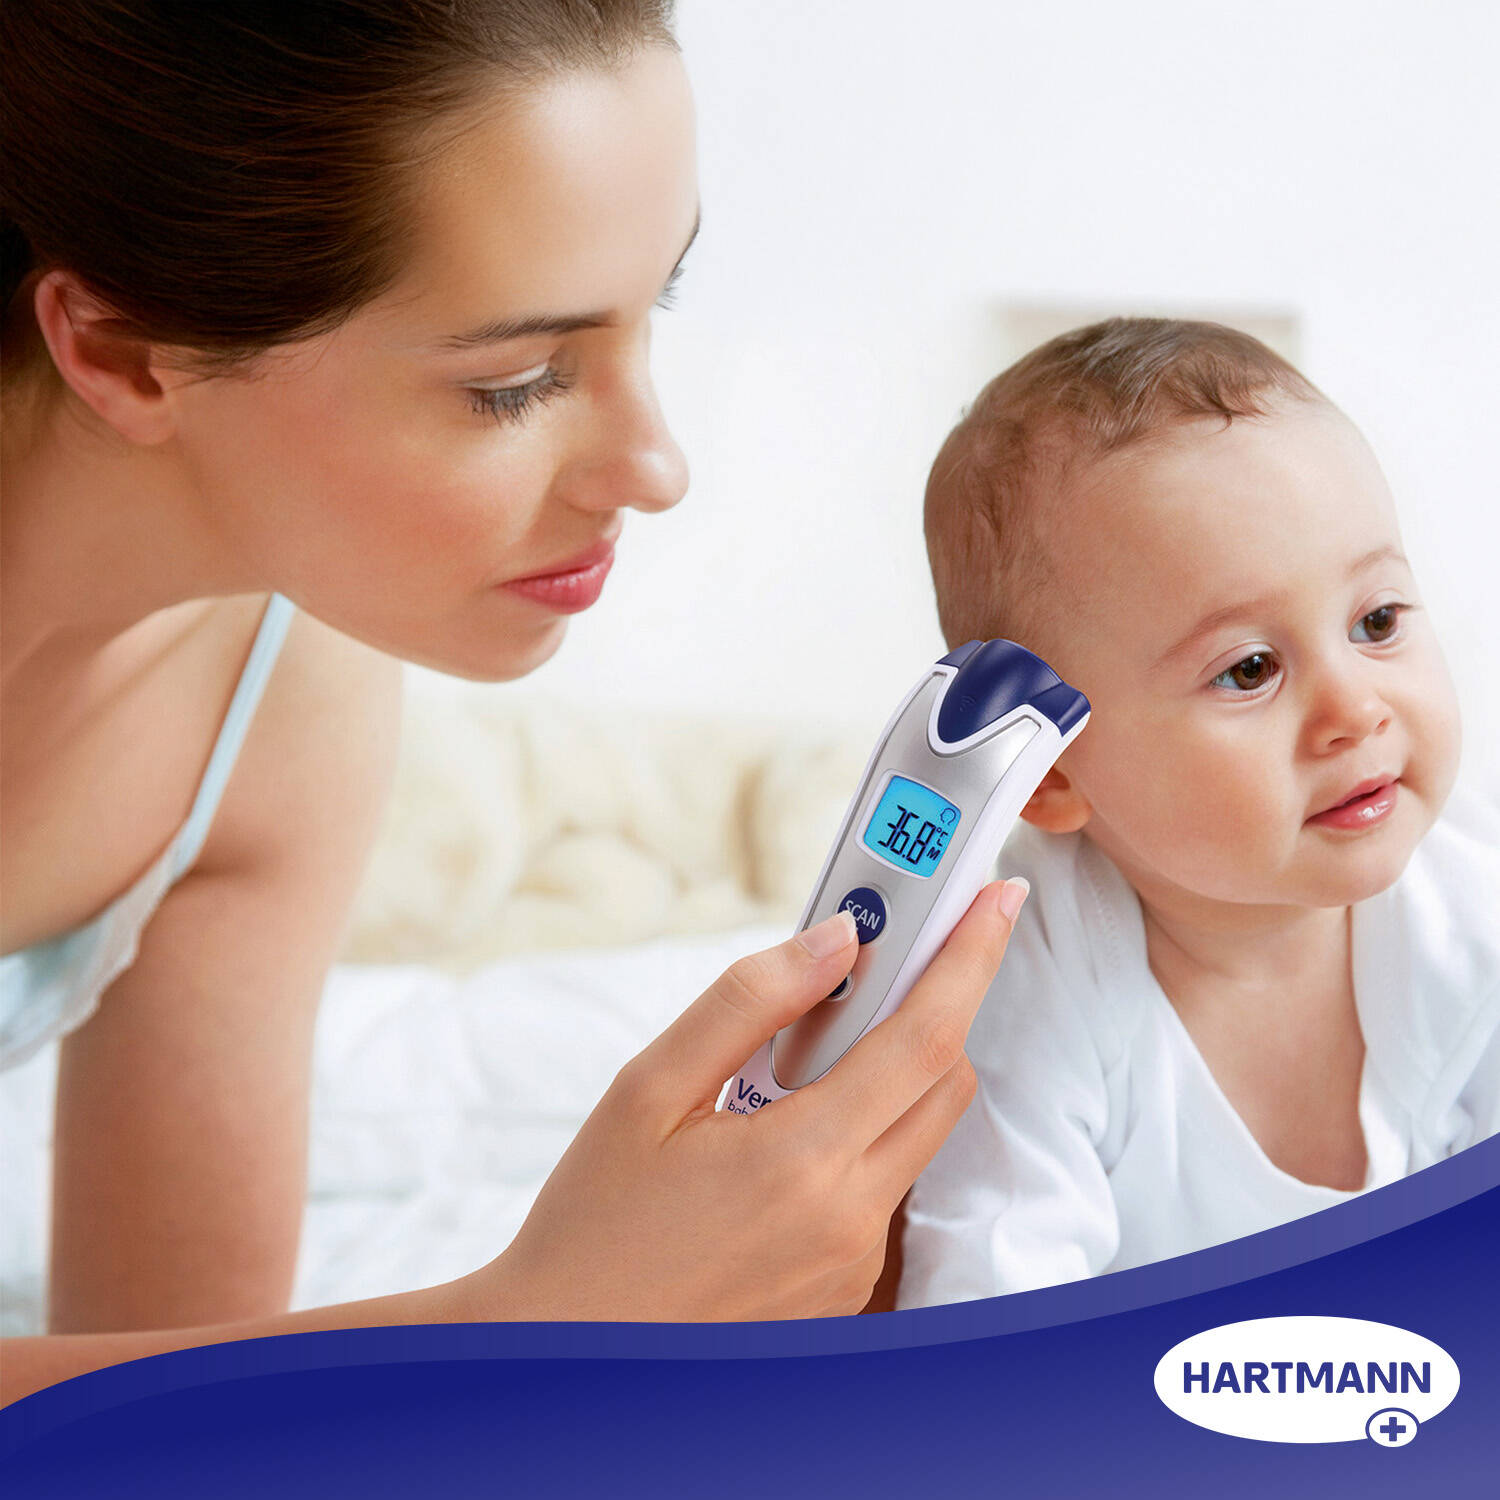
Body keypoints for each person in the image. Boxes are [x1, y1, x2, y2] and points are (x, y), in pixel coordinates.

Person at [0, 2, 1029, 1404]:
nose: (658, 466)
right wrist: (528, 1323)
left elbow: (165, 1414)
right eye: (514, 383)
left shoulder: (274, 696)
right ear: (124, 354)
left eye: (656, 305)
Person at [897, 317, 1500, 1307]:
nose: (1357, 710)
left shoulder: (1468, 914)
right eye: (1250, 669)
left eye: (1377, 619)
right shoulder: (1032, 977)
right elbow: (988, 1300)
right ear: (1050, 773)